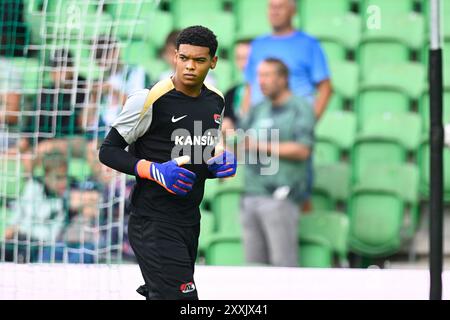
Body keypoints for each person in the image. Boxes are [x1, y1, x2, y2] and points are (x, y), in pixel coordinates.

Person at [99, 25, 237, 300]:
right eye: (184, 58)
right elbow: (109, 151)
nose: (190, 66)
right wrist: (154, 170)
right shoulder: (148, 98)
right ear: (174, 56)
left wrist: (214, 166)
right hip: (152, 221)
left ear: (213, 62)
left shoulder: (215, 101)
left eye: (199, 60)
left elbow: (195, 154)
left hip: (189, 219)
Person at [240, 58, 315, 267]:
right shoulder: (258, 109)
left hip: (280, 197)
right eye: (259, 76)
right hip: (251, 195)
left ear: (283, 79)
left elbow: (303, 149)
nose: (261, 81)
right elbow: (239, 139)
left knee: (283, 268)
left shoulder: (299, 108)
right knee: (254, 270)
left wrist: (259, 145)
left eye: (267, 75)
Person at [243, 0, 332, 118]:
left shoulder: (308, 44)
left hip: (294, 122)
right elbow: (250, 87)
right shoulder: (257, 44)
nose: (274, 11)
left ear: (293, 11)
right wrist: (246, 121)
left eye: (280, 7)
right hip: (261, 124)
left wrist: (310, 122)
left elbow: (325, 88)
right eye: (271, 7)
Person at [223, 38, 252, 130]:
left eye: (247, 58)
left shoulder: (271, 95)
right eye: (239, 58)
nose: (243, 64)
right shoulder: (231, 93)